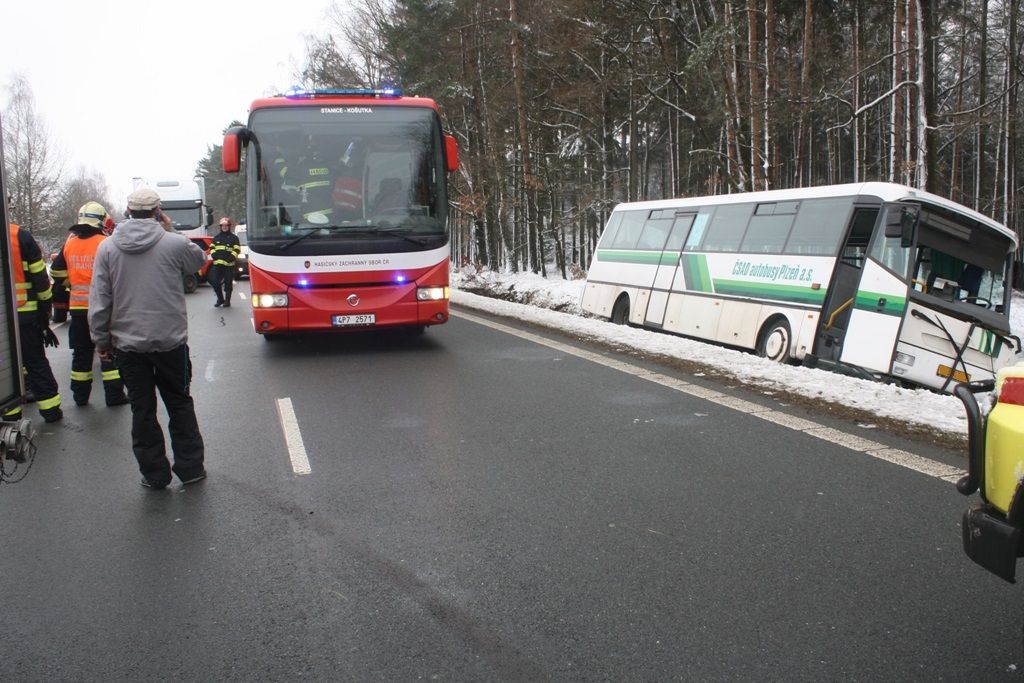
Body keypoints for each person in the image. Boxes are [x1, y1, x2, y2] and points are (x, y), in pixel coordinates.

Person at [89, 187, 208, 490]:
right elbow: (198, 260)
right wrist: (168, 229)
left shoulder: (107, 248)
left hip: (128, 347)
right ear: (158, 211)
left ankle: (154, 475)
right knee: (179, 403)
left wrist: (102, 341)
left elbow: (100, 300)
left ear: (127, 212)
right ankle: (191, 468)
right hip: (171, 344)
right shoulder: (173, 243)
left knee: (142, 411)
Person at [49, 201, 129, 407]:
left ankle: (80, 397)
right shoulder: (105, 242)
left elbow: (56, 272)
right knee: (108, 351)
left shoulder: (69, 243)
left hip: (77, 310)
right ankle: (114, 396)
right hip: (103, 308)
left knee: (81, 354)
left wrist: (72, 283)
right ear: (101, 220)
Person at [5, 222, 62, 423]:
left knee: (4, 368)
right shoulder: (19, 235)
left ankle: (9, 415)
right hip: (25, 314)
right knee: (35, 361)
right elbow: (39, 276)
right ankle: (51, 410)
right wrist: (45, 307)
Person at [208, 216, 241, 307]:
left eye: (226, 225)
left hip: (228, 265)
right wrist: (213, 254)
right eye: (223, 225)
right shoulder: (216, 237)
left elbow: (237, 249)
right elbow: (211, 247)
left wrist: (231, 257)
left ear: (229, 226)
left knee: (228, 283)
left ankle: (227, 301)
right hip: (217, 265)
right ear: (221, 227)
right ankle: (220, 299)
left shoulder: (234, 238)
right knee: (214, 282)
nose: (224, 227)